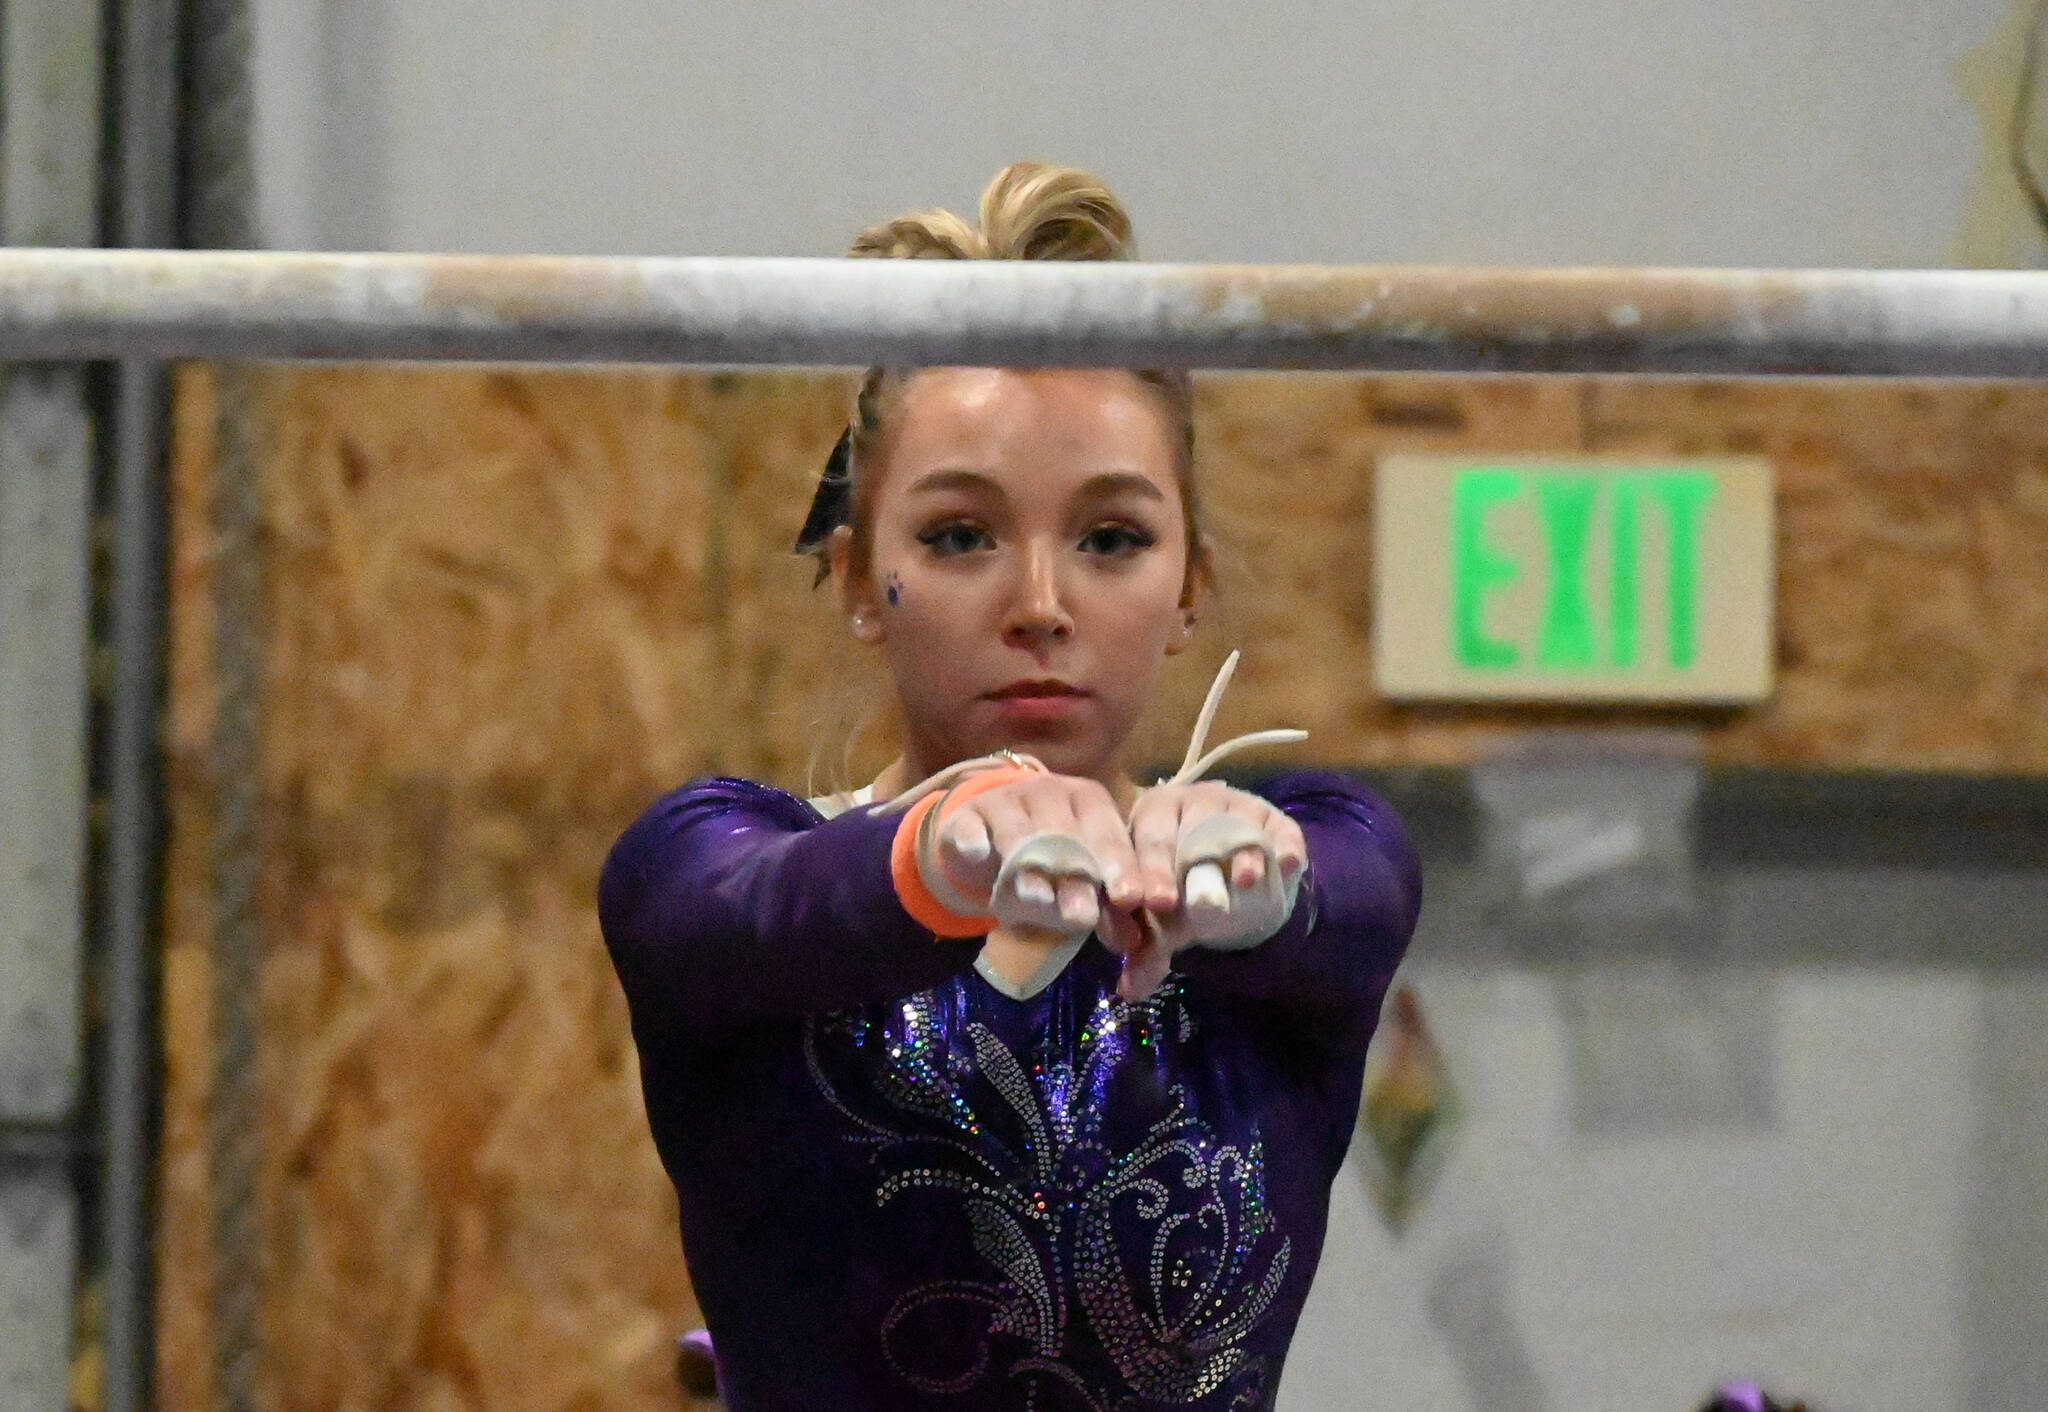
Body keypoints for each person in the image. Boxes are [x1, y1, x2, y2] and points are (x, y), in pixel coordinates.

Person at [599, 162, 1421, 1412]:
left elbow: (1349, 893)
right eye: (959, 535)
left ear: (1188, 583)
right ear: (856, 574)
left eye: (1108, 539)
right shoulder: (712, 861)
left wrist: (1242, 892)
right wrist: (941, 853)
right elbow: (738, 911)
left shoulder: (1301, 857)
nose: (1039, 606)